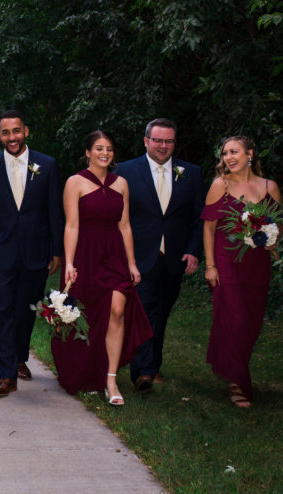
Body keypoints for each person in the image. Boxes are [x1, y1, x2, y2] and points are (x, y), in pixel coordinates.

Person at [51, 130, 152, 405]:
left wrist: (132, 263)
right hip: (85, 256)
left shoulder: (121, 184)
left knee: (117, 309)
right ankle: (86, 371)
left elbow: (125, 225)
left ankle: (110, 379)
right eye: (98, 148)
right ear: (88, 152)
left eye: (109, 148)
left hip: (114, 256)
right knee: (89, 315)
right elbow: (71, 225)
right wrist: (69, 262)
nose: (104, 153)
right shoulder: (75, 182)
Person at [0, 110, 64, 398]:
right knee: (3, 311)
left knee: (27, 310)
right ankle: (6, 375)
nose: (11, 137)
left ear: (26, 131)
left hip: (36, 250)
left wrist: (57, 251)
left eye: (16, 131)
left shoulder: (47, 165)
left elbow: (55, 212)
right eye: (5, 132)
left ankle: (19, 357)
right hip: (0, 251)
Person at [115, 118, 204, 392]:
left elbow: (198, 218)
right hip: (140, 255)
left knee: (162, 312)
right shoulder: (126, 171)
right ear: (146, 141)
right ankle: (143, 371)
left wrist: (193, 250)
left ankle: (152, 365)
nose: (163, 146)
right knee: (145, 310)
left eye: (168, 141)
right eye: (157, 140)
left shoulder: (191, 173)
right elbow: (119, 216)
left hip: (175, 257)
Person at [201, 136, 281, 408]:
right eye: (225, 153)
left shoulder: (270, 187)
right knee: (234, 319)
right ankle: (237, 382)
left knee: (250, 322)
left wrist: (271, 238)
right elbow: (209, 227)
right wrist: (210, 265)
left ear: (250, 153)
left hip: (257, 264)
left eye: (234, 152)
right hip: (227, 262)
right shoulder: (220, 185)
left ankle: (235, 367)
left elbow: (277, 225)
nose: (228, 158)